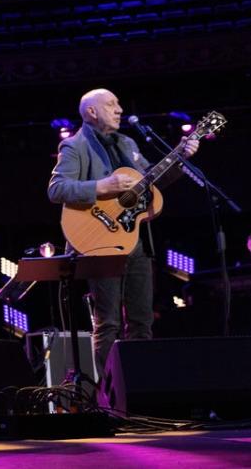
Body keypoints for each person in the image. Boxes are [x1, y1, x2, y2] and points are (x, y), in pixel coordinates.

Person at [47, 88, 198, 376]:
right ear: (91, 112)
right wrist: (101, 187)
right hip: (100, 243)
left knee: (142, 320)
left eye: (119, 104)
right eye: (112, 104)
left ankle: (140, 388)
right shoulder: (75, 146)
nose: (119, 110)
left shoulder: (127, 143)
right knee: (109, 322)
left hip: (135, 241)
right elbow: (56, 189)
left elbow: (149, 183)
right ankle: (108, 396)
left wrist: (180, 159)